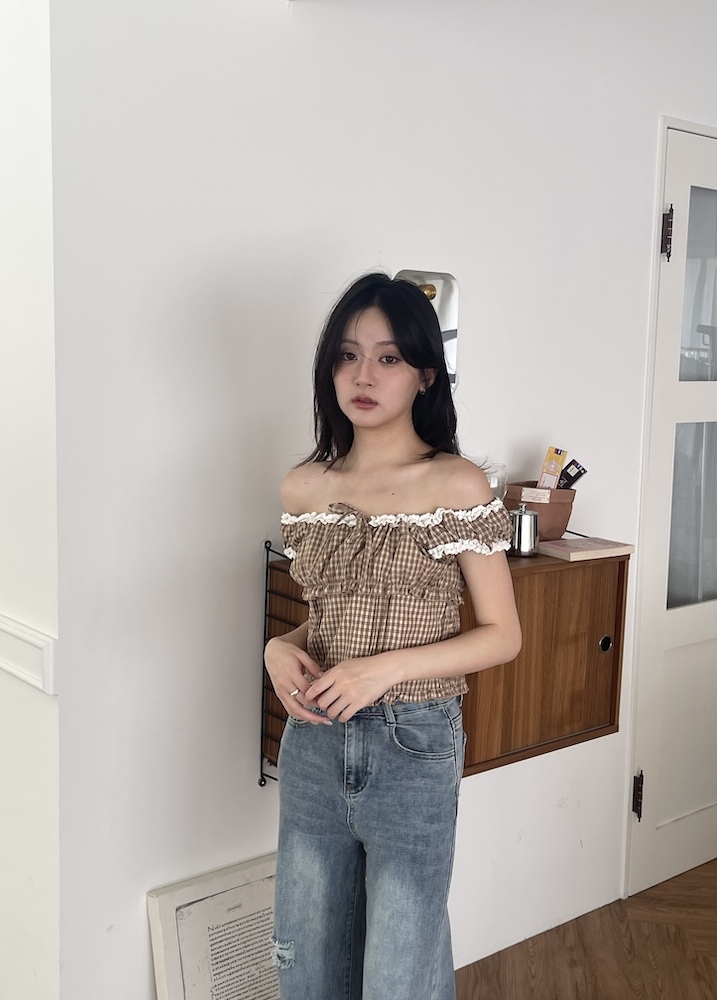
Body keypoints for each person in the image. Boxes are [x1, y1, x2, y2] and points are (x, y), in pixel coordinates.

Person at [264, 273, 522, 1000]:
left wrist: (386, 669)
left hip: (415, 744)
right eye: (348, 356)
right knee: (306, 963)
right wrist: (279, 646)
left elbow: (502, 635)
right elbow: (336, 613)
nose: (364, 376)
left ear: (424, 375)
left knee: (399, 974)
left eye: (388, 358)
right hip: (315, 740)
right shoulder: (303, 488)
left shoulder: (457, 484)